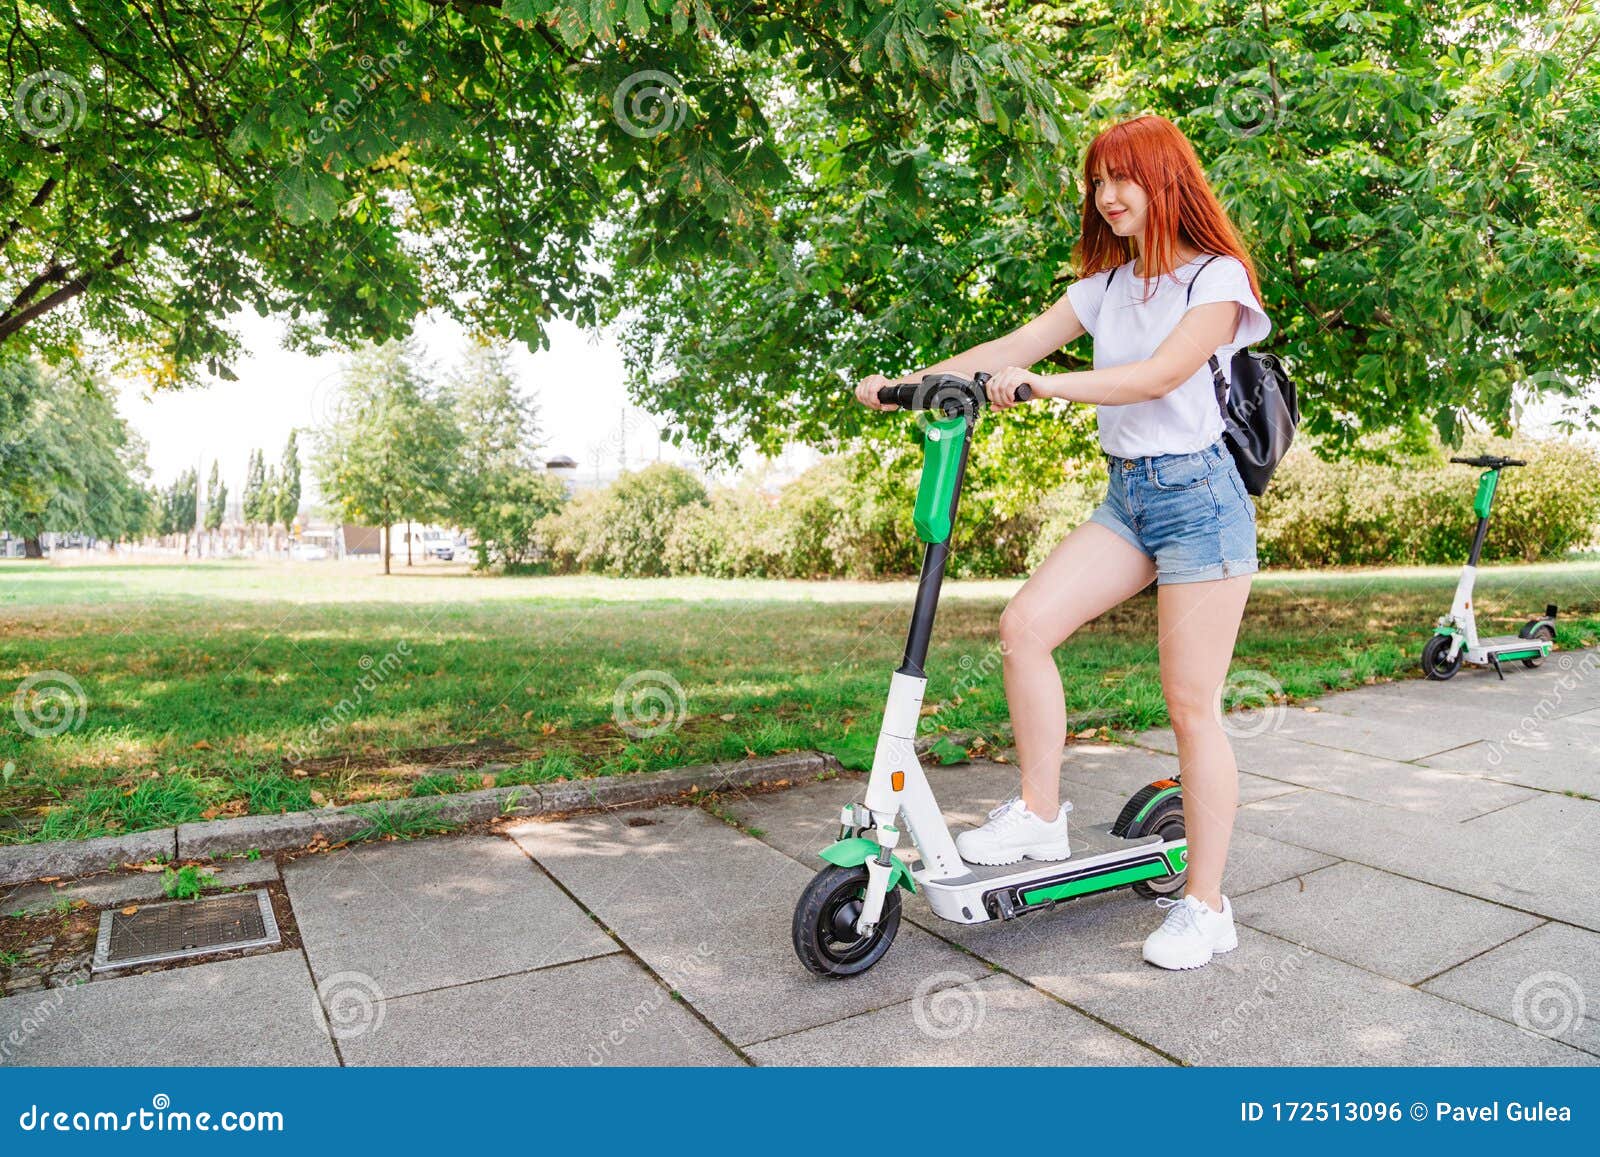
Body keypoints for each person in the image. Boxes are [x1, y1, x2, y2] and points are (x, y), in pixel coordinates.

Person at [852, 114, 1271, 970]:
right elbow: (1009, 348)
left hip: (1201, 501)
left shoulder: (1216, 278)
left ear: (1167, 182)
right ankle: (1042, 816)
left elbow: (1159, 375)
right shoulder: (1106, 286)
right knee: (1025, 626)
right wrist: (907, 383)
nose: (1108, 196)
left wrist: (1042, 387)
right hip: (1131, 500)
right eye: (1097, 182)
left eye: (1124, 178)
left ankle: (1206, 905)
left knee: (1192, 707)